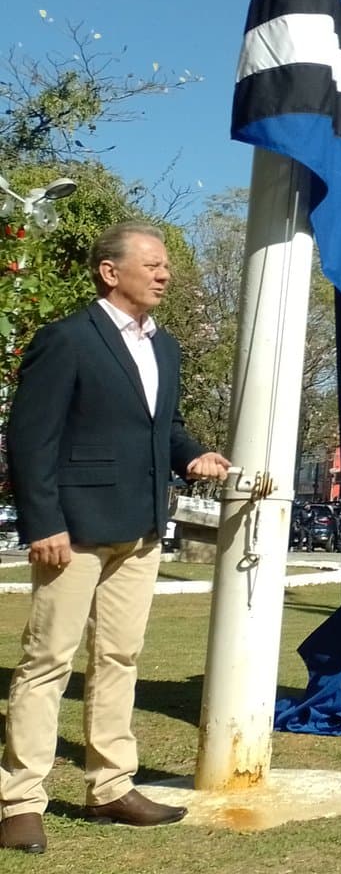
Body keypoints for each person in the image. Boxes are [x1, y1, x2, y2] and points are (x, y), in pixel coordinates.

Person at [1, 223, 230, 854]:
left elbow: (167, 427)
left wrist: (193, 456)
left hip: (142, 527)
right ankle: (19, 800)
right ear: (110, 271)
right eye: (152, 264)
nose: (164, 274)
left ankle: (110, 786)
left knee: (119, 658)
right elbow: (29, 438)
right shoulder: (67, 339)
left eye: (166, 265)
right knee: (47, 662)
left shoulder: (167, 348)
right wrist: (42, 521)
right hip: (72, 530)